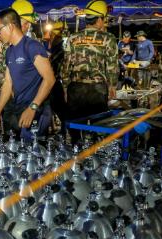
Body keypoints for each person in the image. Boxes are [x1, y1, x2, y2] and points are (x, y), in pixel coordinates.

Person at [0, 9, 55, 141]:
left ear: (10, 26)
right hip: (20, 108)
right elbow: (8, 83)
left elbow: (50, 79)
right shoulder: (9, 51)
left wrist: (33, 107)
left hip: (36, 110)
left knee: (32, 156)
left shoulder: (32, 46)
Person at [61, 0, 118, 144]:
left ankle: (76, 155)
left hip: (76, 88)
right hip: (97, 90)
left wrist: (65, 87)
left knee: (75, 128)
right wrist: (112, 86)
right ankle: (95, 158)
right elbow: (112, 67)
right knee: (99, 129)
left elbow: (66, 65)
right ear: (99, 19)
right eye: (104, 19)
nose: (104, 22)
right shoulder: (108, 39)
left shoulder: (73, 38)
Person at [43, 21, 67, 132]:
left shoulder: (59, 49)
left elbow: (56, 69)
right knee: (57, 109)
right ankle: (59, 129)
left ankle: (62, 130)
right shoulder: (56, 49)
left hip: (56, 83)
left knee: (59, 109)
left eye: (51, 35)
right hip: (55, 82)